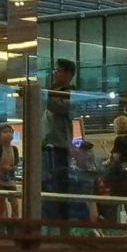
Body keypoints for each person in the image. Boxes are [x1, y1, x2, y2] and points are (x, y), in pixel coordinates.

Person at [44, 58, 76, 220]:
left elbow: (61, 108)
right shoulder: (53, 92)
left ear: (69, 74)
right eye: (55, 70)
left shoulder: (69, 93)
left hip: (60, 147)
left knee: (60, 187)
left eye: (59, 71)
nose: (56, 73)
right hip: (47, 146)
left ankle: (62, 225)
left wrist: (43, 96)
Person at [102, 115, 127, 223]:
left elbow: (116, 158)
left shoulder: (119, 140)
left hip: (119, 178)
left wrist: (107, 161)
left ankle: (113, 226)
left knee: (114, 203)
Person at [0, 121, 20, 216]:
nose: (8, 134)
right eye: (5, 132)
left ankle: (14, 224)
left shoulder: (15, 149)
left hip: (11, 182)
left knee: (15, 205)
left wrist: (13, 168)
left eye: (10, 132)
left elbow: (16, 164)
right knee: (0, 205)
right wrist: (1, 168)